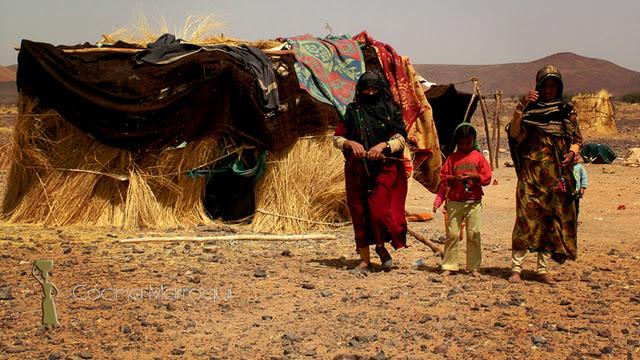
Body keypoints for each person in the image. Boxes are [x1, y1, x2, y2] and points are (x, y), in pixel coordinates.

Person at [506, 65, 583, 285]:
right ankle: (516, 268)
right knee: (524, 220)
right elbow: (514, 135)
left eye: (553, 85)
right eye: (545, 85)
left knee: (550, 221)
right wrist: (521, 105)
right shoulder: (529, 110)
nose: (549, 89)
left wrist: (572, 152)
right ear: (539, 86)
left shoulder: (567, 111)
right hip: (531, 176)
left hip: (556, 177)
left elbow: (578, 140)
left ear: (558, 87)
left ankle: (542, 269)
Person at [333, 70, 408, 273]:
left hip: (384, 168)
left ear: (381, 88)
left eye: (374, 88)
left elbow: (401, 138)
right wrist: (350, 143)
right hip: (357, 169)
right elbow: (336, 139)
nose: (370, 92)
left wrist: (383, 146)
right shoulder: (353, 110)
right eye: (366, 88)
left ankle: (382, 247)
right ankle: (365, 261)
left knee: (379, 211)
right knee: (358, 211)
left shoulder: (391, 110)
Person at [433, 123, 492, 276]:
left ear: (474, 141)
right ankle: (449, 265)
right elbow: (443, 176)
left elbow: (487, 177)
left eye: (468, 142)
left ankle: (474, 267)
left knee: (474, 234)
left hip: (474, 202)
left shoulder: (478, 157)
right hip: (454, 201)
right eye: (461, 143)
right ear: (456, 142)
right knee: (452, 234)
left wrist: (475, 177)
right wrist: (453, 179)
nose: (464, 146)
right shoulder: (452, 158)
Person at [573, 156, 588, 220]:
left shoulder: (580, 167)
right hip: (567, 191)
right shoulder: (565, 167)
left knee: (576, 206)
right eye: (573, 156)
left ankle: (575, 220)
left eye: (577, 156)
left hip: (576, 191)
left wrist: (583, 188)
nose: (575, 158)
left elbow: (584, 178)